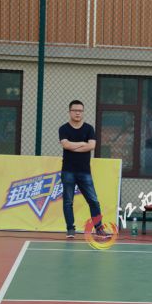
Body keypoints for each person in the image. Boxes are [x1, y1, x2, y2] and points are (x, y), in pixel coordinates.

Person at [59, 100, 105, 239]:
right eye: (75, 110)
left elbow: (91, 146)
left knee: (93, 201)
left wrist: (74, 146)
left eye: (80, 111)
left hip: (84, 172)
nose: (78, 113)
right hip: (68, 171)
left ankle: (99, 228)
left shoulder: (89, 128)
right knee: (68, 202)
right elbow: (66, 145)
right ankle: (70, 229)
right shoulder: (63, 129)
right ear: (70, 112)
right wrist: (81, 144)